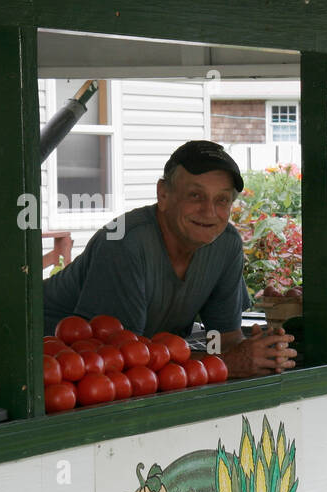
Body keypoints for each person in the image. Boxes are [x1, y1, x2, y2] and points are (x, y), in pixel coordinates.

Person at [38, 140, 295, 378]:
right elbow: (122, 361)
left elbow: (221, 337)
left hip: (91, 376)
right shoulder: (124, 243)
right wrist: (227, 363)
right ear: (163, 195)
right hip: (27, 358)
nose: (209, 211)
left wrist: (261, 353)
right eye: (195, 195)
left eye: (222, 200)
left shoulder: (225, 244)